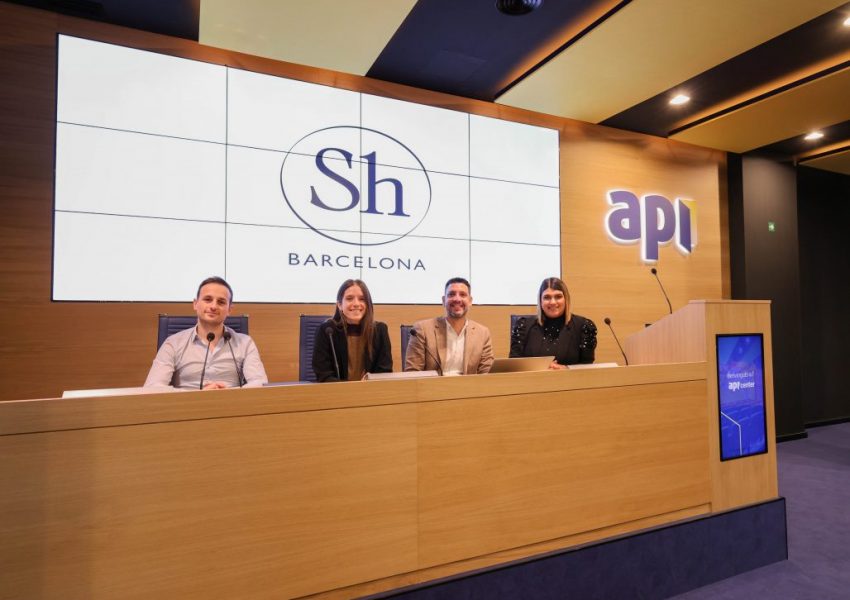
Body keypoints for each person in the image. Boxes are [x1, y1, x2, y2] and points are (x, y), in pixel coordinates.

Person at [144, 276, 268, 389]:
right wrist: (197, 396)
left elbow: (259, 382)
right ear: (195, 304)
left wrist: (230, 393)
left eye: (221, 302)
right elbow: (153, 386)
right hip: (187, 409)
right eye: (208, 299)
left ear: (229, 309)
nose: (213, 306)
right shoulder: (173, 343)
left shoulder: (245, 343)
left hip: (232, 407)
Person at [405, 277, 494, 375]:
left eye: (463, 295)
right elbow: (413, 373)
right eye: (451, 294)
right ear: (443, 300)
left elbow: (486, 373)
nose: (457, 299)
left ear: (470, 301)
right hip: (433, 388)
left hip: (468, 388)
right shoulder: (422, 330)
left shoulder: (482, 333)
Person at [312, 279, 393, 382]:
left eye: (362, 299)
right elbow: (323, 374)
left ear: (368, 304)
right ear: (340, 305)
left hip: (371, 393)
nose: (356, 304)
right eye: (349, 298)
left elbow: (384, 372)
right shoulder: (327, 331)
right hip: (337, 393)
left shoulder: (380, 330)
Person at [510, 276, 596, 368]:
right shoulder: (523, 326)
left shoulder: (583, 326)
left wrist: (566, 368)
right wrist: (542, 367)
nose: (553, 302)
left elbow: (587, 367)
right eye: (547, 297)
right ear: (540, 301)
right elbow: (514, 365)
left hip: (570, 381)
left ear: (566, 299)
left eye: (558, 297)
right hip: (532, 381)